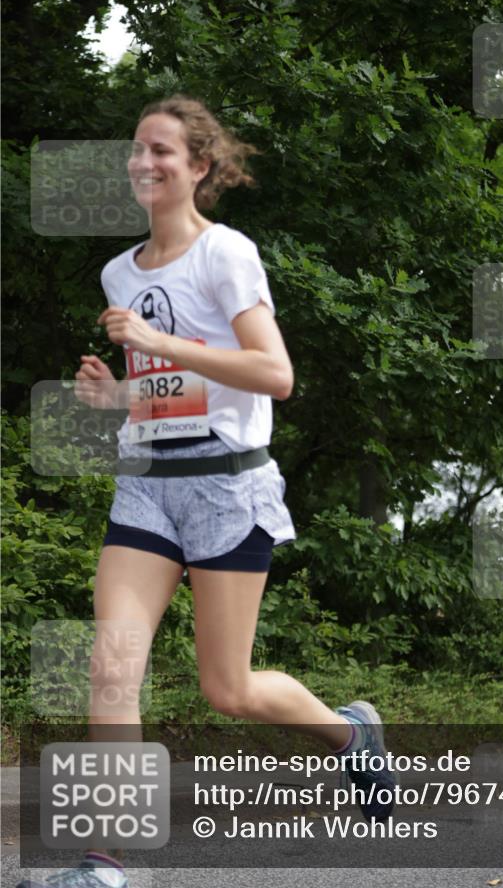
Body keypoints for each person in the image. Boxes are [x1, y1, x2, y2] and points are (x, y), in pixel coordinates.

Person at [18, 96, 395, 888]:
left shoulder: (227, 254)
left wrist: (156, 341)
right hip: (148, 488)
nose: (144, 164)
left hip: (227, 489)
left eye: (162, 151)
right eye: (136, 151)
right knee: (111, 665)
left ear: (198, 167)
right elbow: (172, 390)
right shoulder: (120, 270)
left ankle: (350, 732)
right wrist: (119, 397)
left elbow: (274, 375)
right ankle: (104, 864)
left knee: (228, 691)